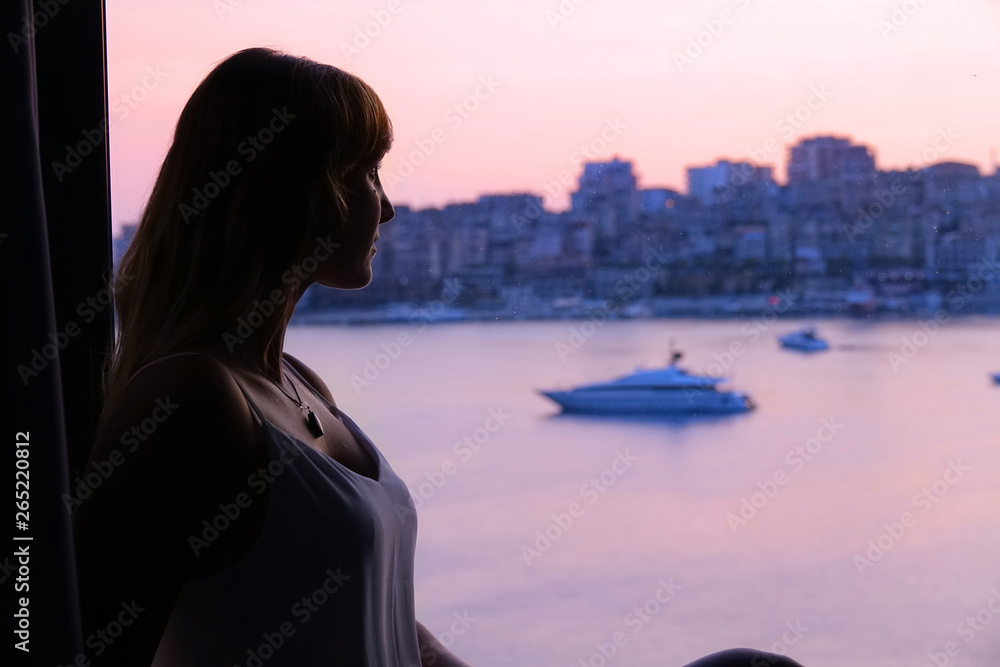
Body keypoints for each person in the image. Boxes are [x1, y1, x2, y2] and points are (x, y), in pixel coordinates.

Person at [72, 47, 805, 667]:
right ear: (288, 190)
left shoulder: (301, 386)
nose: (386, 207)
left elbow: (388, 628)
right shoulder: (193, 399)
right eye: (365, 173)